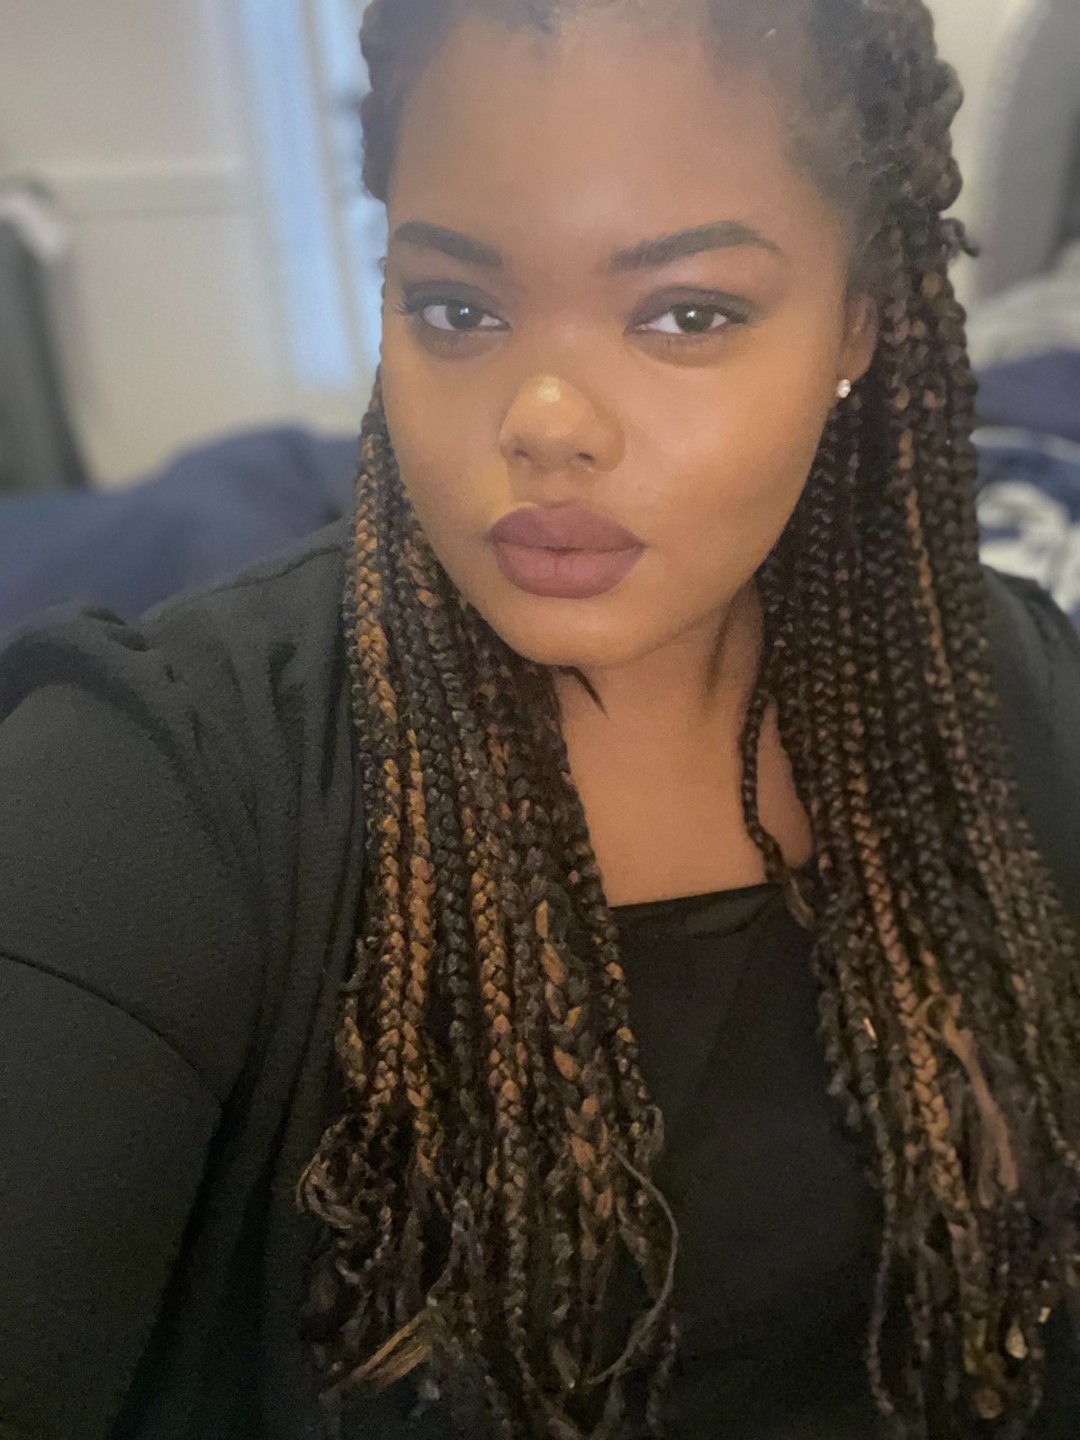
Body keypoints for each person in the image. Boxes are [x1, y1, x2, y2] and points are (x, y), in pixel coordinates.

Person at [2, 1, 1079, 1437]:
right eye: (458, 307)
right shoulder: (158, 783)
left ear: (859, 322)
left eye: (688, 313)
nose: (547, 417)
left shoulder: (1013, 699)